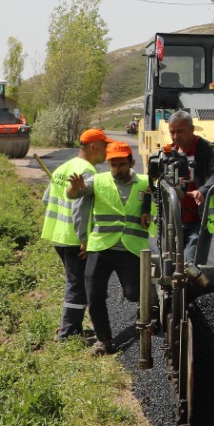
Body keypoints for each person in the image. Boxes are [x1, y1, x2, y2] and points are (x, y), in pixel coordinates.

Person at [69, 141, 149, 354]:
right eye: (113, 165)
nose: (117, 169)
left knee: (134, 294)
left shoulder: (145, 183)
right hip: (101, 247)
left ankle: (152, 304)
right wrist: (74, 187)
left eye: (122, 164)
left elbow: (160, 207)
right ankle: (104, 341)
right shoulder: (98, 181)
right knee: (94, 294)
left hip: (131, 248)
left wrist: (150, 213)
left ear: (131, 162)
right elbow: (74, 194)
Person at [41, 128, 108, 340]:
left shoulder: (64, 167)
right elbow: (80, 208)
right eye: (105, 146)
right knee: (77, 286)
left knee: (74, 282)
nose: (107, 150)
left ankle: (73, 329)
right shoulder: (87, 171)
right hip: (73, 239)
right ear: (93, 147)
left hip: (57, 235)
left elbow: (46, 199)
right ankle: (68, 334)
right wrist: (84, 239)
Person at [167, 109, 214, 266]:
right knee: (168, 266)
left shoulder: (207, 150)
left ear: (192, 129)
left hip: (198, 220)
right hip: (172, 221)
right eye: (172, 132)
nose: (176, 136)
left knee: (192, 267)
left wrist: (202, 191)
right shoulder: (168, 153)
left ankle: (193, 291)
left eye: (180, 131)